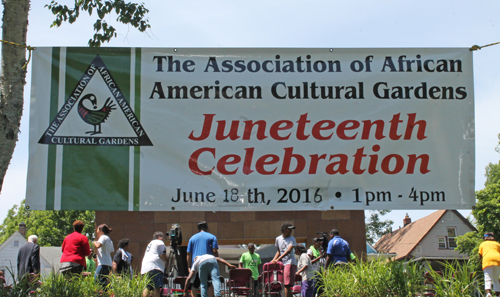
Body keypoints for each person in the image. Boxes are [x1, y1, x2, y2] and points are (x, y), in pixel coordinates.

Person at [187, 221, 219, 297]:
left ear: (198, 229)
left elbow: (188, 253)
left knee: (195, 284)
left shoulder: (192, 238)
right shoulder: (212, 236)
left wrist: (189, 266)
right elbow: (214, 251)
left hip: (196, 263)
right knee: (209, 283)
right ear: (207, 228)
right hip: (208, 263)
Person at [271, 222, 297, 297]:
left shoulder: (292, 239)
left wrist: (277, 260)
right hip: (284, 263)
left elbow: (288, 250)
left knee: (287, 285)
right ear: (284, 229)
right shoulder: (278, 239)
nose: (291, 231)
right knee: (285, 284)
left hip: (290, 262)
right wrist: (273, 260)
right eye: (290, 229)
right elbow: (279, 251)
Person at [141, 231, 167, 297]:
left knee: (147, 287)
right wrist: (167, 260)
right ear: (159, 237)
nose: (163, 239)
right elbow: (162, 254)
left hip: (145, 268)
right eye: (163, 237)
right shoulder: (159, 242)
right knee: (156, 288)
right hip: (155, 267)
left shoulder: (150, 243)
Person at [479, 232, 500, 297]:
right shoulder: (497, 244)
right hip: (498, 260)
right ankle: (497, 295)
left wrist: (480, 262)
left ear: (485, 237)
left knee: (488, 277)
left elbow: (480, 255)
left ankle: (488, 293)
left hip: (487, 260)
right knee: (496, 278)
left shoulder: (482, 244)